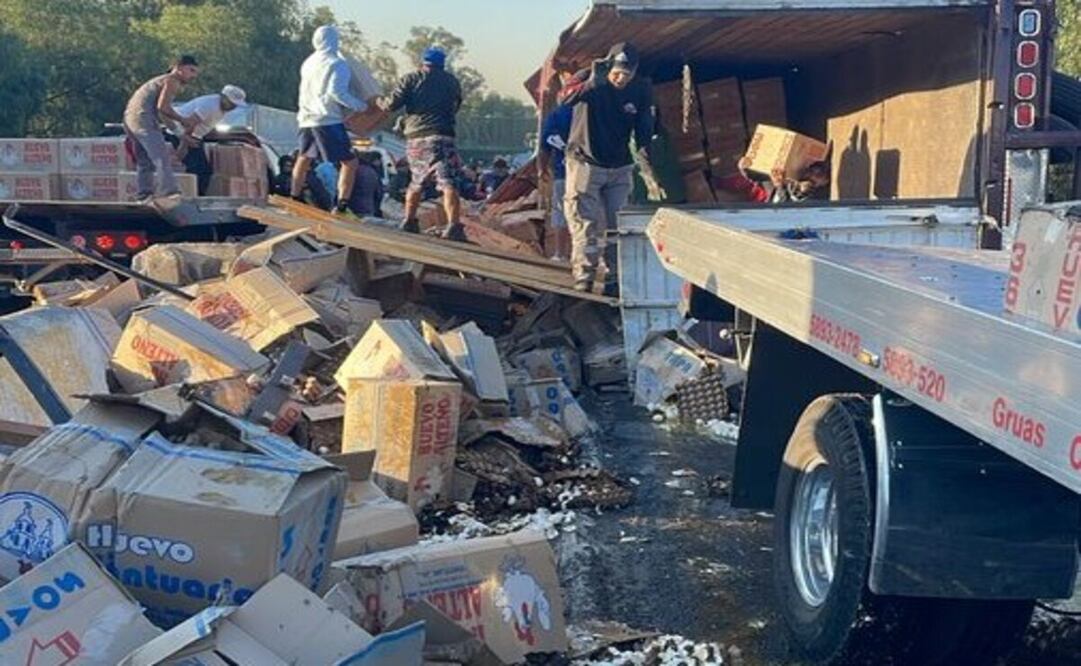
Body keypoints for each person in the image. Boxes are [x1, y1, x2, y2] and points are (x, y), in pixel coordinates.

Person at [560, 42, 663, 292]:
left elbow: (644, 131)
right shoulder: (590, 78)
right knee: (586, 222)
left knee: (618, 224)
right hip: (586, 162)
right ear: (610, 67)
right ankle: (584, 274)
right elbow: (564, 99)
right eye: (617, 74)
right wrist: (592, 83)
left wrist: (649, 172)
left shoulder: (641, 89)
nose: (620, 79)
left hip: (619, 166)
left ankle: (615, 276)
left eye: (626, 75)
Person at [378, 47, 465, 240]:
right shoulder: (452, 82)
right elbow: (456, 106)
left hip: (418, 138)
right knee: (448, 182)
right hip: (444, 136)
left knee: (416, 180)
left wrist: (379, 102)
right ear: (443, 64)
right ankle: (454, 226)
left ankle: (409, 221)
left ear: (423, 62)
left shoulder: (412, 78)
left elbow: (391, 104)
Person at [290, 25, 366, 215]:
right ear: (335, 41)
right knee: (350, 163)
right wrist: (360, 106)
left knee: (304, 158)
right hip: (328, 119)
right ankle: (341, 206)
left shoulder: (307, 62)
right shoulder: (337, 63)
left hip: (306, 118)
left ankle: (294, 197)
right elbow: (337, 92)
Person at [123, 55, 200, 200]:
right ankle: (170, 192)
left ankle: (144, 194)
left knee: (144, 161)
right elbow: (163, 107)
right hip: (144, 119)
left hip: (130, 119)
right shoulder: (172, 81)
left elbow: (162, 112)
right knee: (161, 157)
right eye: (191, 70)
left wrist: (180, 134)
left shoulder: (159, 81)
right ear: (178, 68)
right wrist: (183, 120)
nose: (193, 76)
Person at [168, 85, 248, 194]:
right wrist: (184, 144)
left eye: (235, 105)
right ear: (223, 97)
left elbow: (207, 126)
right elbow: (190, 123)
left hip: (195, 136)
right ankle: (193, 196)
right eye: (231, 103)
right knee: (200, 170)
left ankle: (194, 194)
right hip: (182, 133)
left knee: (202, 170)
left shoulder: (222, 108)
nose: (232, 107)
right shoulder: (210, 105)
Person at [538, 103, 573, 262]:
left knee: (561, 211)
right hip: (594, 171)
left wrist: (542, 168)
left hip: (564, 171)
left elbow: (546, 144)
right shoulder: (598, 106)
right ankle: (592, 255)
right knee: (590, 213)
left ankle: (561, 253)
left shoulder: (558, 114)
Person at [348, 151, 385, 217]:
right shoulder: (373, 172)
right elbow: (378, 194)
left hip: (352, 208)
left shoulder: (352, 170)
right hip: (367, 209)